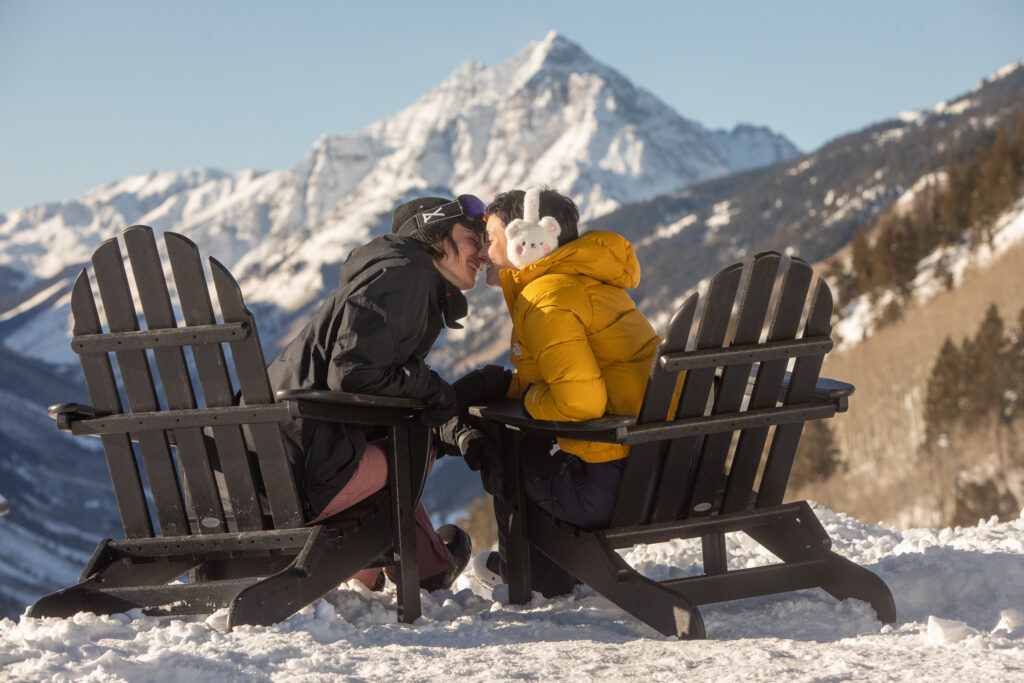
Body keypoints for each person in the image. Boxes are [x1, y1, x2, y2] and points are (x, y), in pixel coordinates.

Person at [267, 194, 490, 592]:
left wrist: (434, 397)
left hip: (259, 471)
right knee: (414, 444)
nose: (485, 253)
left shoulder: (393, 274)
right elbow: (353, 374)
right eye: (474, 239)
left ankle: (403, 570)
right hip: (297, 479)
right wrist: (432, 389)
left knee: (404, 437)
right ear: (434, 235)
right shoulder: (406, 274)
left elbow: (365, 379)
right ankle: (413, 569)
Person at [455, 188, 662, 597]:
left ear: (526, 239)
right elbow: (585, 372)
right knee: (520, 429)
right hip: (659, 470)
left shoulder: (547, 299)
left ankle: (528, 576)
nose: (483, 251)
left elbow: (578, 402)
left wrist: (526, 401)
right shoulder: (586, 283)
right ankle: (542, 571)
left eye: (491, 239)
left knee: (507, 440)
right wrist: (514, 385)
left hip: (611, 488)